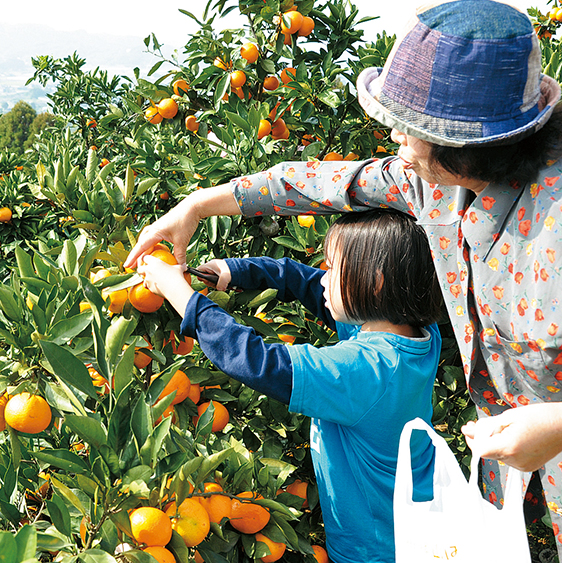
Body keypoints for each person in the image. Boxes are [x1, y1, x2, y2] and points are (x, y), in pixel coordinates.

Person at [125, 0, 562, 557]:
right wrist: (199, 205)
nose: (396, 145)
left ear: (466, 145)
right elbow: (320, 184)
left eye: (408, 131)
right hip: (500, 475)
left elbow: (263, 362)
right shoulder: (433, 181)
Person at [138, 209, 443, 563]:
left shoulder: (366, 370)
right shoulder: (412, 330)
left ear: (373, 283)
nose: (323, 278)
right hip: (418, 520)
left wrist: (178, 292)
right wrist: (238, 271)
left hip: (378, 549)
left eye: (332, 268)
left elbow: (255, 360)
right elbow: (308, 283)